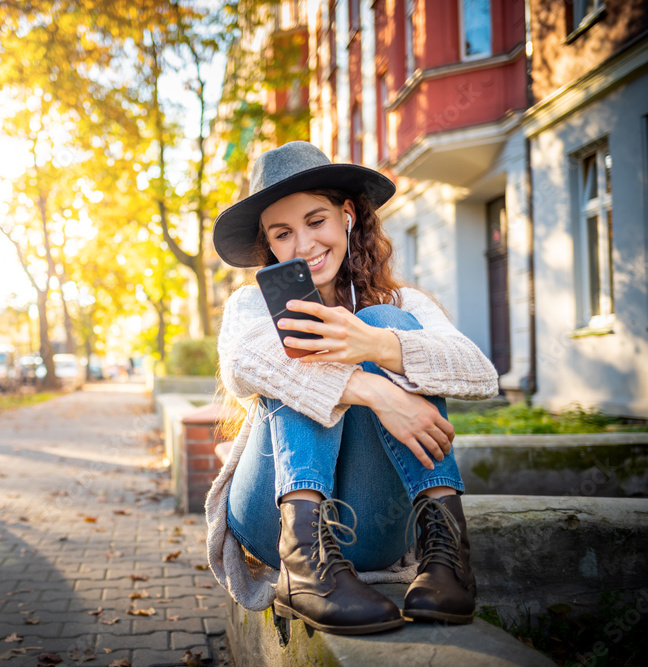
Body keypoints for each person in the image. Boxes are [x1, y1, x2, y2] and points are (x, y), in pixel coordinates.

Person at [205, 141, 499, 635]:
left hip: (372, 526)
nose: (302, 245)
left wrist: (379, 343)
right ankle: (305, 568)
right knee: (291, 336)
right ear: (270, 246)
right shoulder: (250, 306)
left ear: (346, 216)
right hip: (270, 519)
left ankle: (448, 560)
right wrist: (377, 391)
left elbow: (479, 373)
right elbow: (242, 365)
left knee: (387, 320)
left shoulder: (400, 302)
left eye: (315, 221)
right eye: (283, 233)